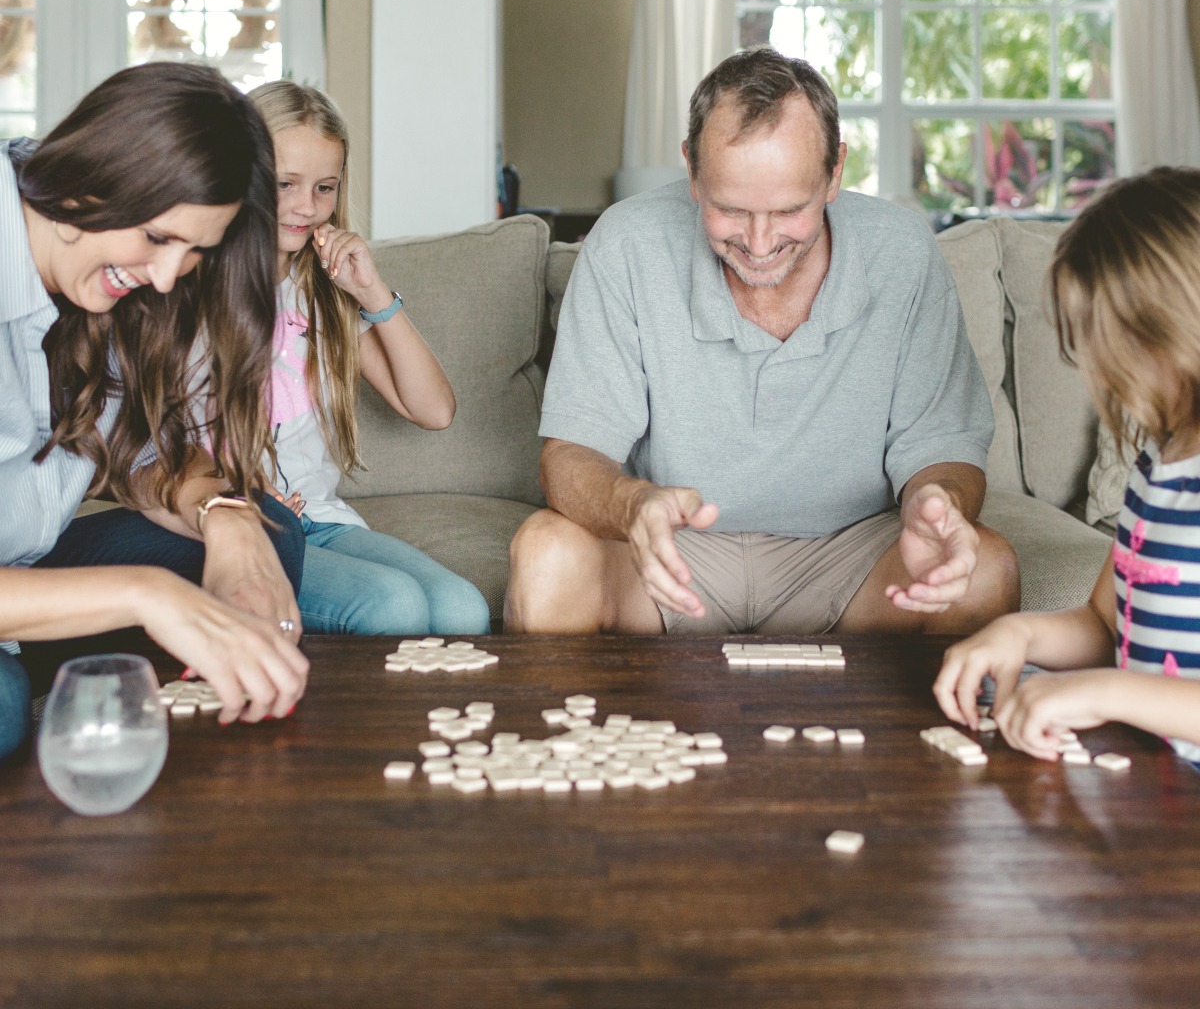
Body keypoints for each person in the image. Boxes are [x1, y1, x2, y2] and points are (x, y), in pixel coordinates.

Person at [506, 47, 1019, 636]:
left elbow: (943, 446)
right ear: (692, 172)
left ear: (835, 174)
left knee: (986, 567)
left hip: (852, 556)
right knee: (546, 551)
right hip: (672, 559)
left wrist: (938, 507)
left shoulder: (903, 251)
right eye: (729, 209)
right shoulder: (625, 243)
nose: (758, 241)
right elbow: (568, 457)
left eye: (787, 210)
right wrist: (631, 505)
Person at [0, 62, 310, 761]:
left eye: (195, 250)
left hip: (20, 579)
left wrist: (223, 519)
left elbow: (147, 456)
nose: (168, 275)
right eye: (160, 238)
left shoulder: (96, 291)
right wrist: (146, 596)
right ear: (99, 173)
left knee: (268, 533)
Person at [935, 168, 1200, 765]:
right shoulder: (1157, 468)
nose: (1096, 374)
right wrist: (1020, 634)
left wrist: (1109, 693)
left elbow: (1121, 682)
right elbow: (1106, 627)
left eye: (1112, 345)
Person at [247, 81, 489, 635]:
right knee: (393, 606)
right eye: (285, 184)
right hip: (243, 528)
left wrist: (372, 292)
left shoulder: (323, 297)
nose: (307, 206)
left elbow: (434, 411)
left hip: (321, 523)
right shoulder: (193, 284)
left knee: (463, 609)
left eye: (324, 188)